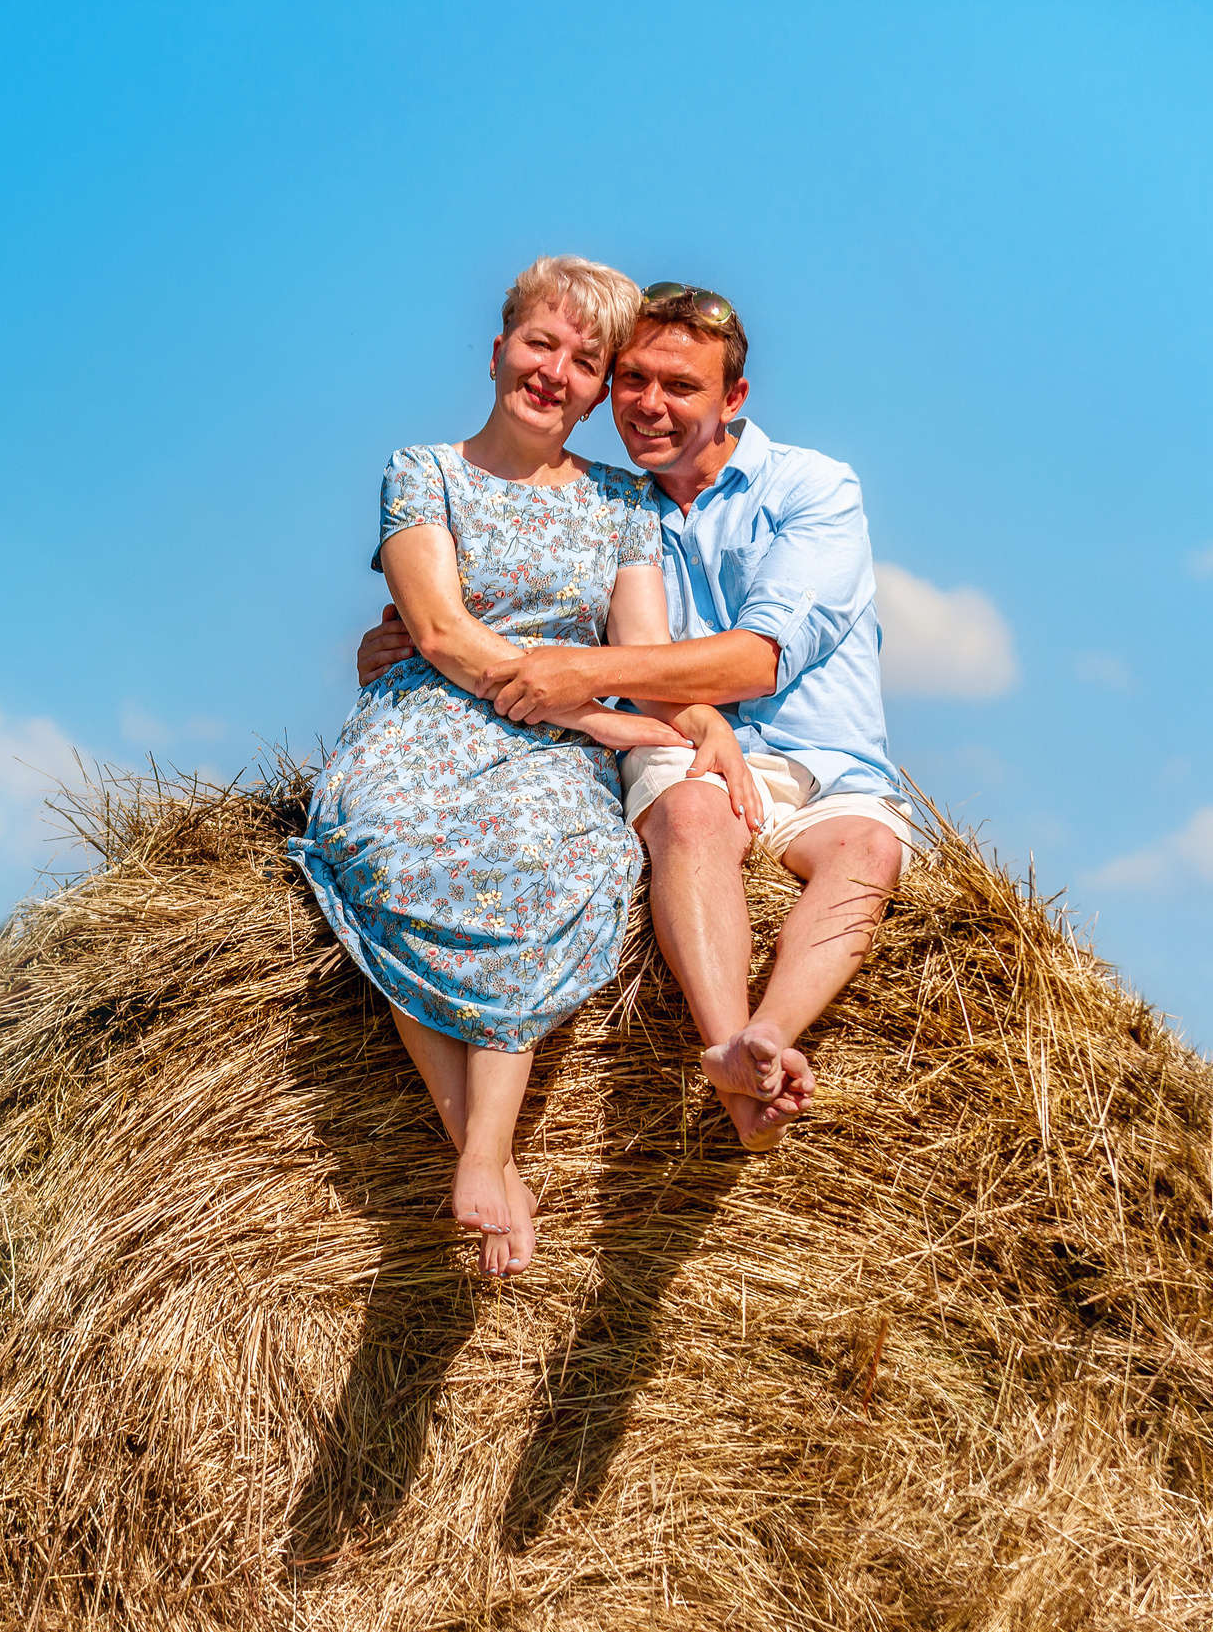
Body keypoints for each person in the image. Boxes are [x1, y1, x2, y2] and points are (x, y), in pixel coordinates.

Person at [357, 282, 911, 1154]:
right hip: (674, 740)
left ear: (734, 397)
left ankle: (772, 1032)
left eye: (682, 385)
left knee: (871, 851)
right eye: (633, 379)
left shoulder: (812, 488)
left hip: (821, 760)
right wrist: (406, 644)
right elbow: (503, 605)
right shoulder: (621, 503)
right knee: (692, 817)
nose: (650, 403)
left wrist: (584, 672)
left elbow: (759, 659)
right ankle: (728, 1050)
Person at [290, 257, 725, 1279]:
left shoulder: (623, 503)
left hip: (545, 752)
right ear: (497, 351)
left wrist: (702, 723)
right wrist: (599, 718)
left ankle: (484, 1154)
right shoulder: (422, 471)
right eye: (540, 343)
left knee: (537, 855)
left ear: (597, 388)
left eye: (585, 361)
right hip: (429, 721)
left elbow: (644, 651)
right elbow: (441, 632)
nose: (554, 372)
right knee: (392, 847)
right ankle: (488, 1159)